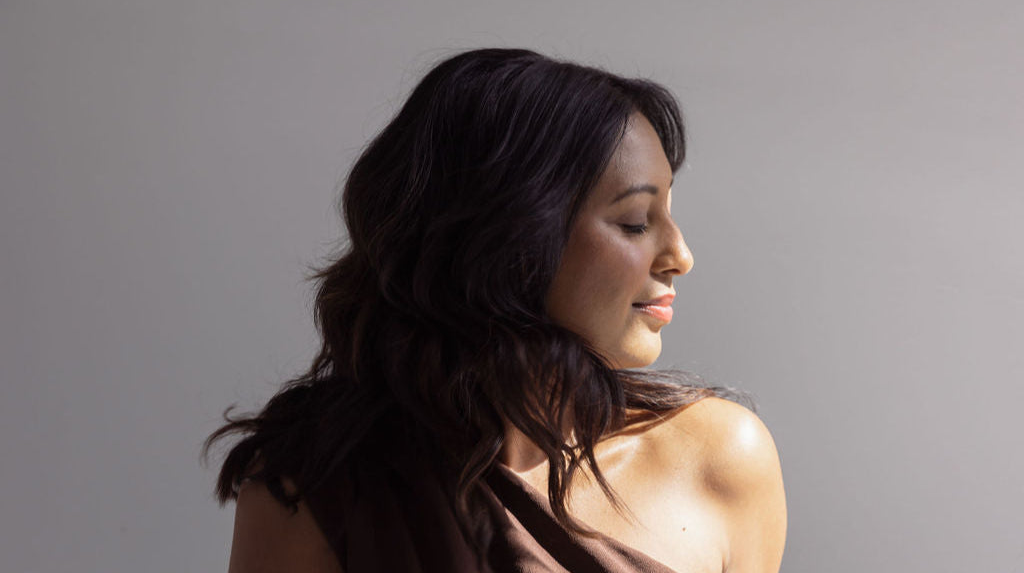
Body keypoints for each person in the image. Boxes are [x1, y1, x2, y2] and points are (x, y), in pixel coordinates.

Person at [203, 48, 786, 573]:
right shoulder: (321, 483)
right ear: (511, 239)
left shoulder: (721, 459)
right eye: (636, 221)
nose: (679, 256)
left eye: (670, 214)